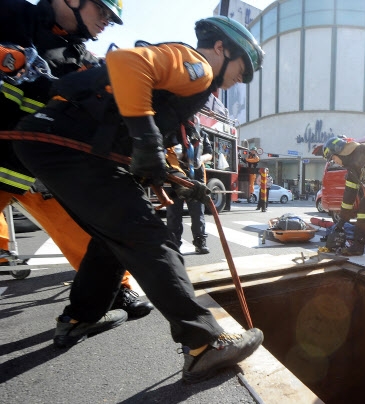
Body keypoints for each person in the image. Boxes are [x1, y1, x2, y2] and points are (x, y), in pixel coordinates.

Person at [11, 16, 265, 383]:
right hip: (70, 147)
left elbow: (128, 135)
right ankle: (203, 343)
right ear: (222, 49)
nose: (242, 78)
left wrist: (173, 179)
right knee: (149, 239)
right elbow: (127, 63)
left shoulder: (185, 88)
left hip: (55, 146)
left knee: (111, 238)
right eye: (244, 68)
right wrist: (146, 139)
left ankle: (79, 317)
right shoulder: (195, 67)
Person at [0, 0, 153, 318]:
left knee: (90, 231)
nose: (105, 23)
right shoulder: (10, 14)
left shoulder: (82, 58)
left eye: (111, 19)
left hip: (42, 166)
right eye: (103, 12)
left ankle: (115, 291)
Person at [165, 123, 213, 254]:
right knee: (173, 213)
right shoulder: (170, 128)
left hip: (196, 176)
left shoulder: (200, 132)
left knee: (198, 211)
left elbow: (210, 153)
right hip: (175, 176)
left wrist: (199, 159)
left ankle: (200, 241)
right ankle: (174, 244)